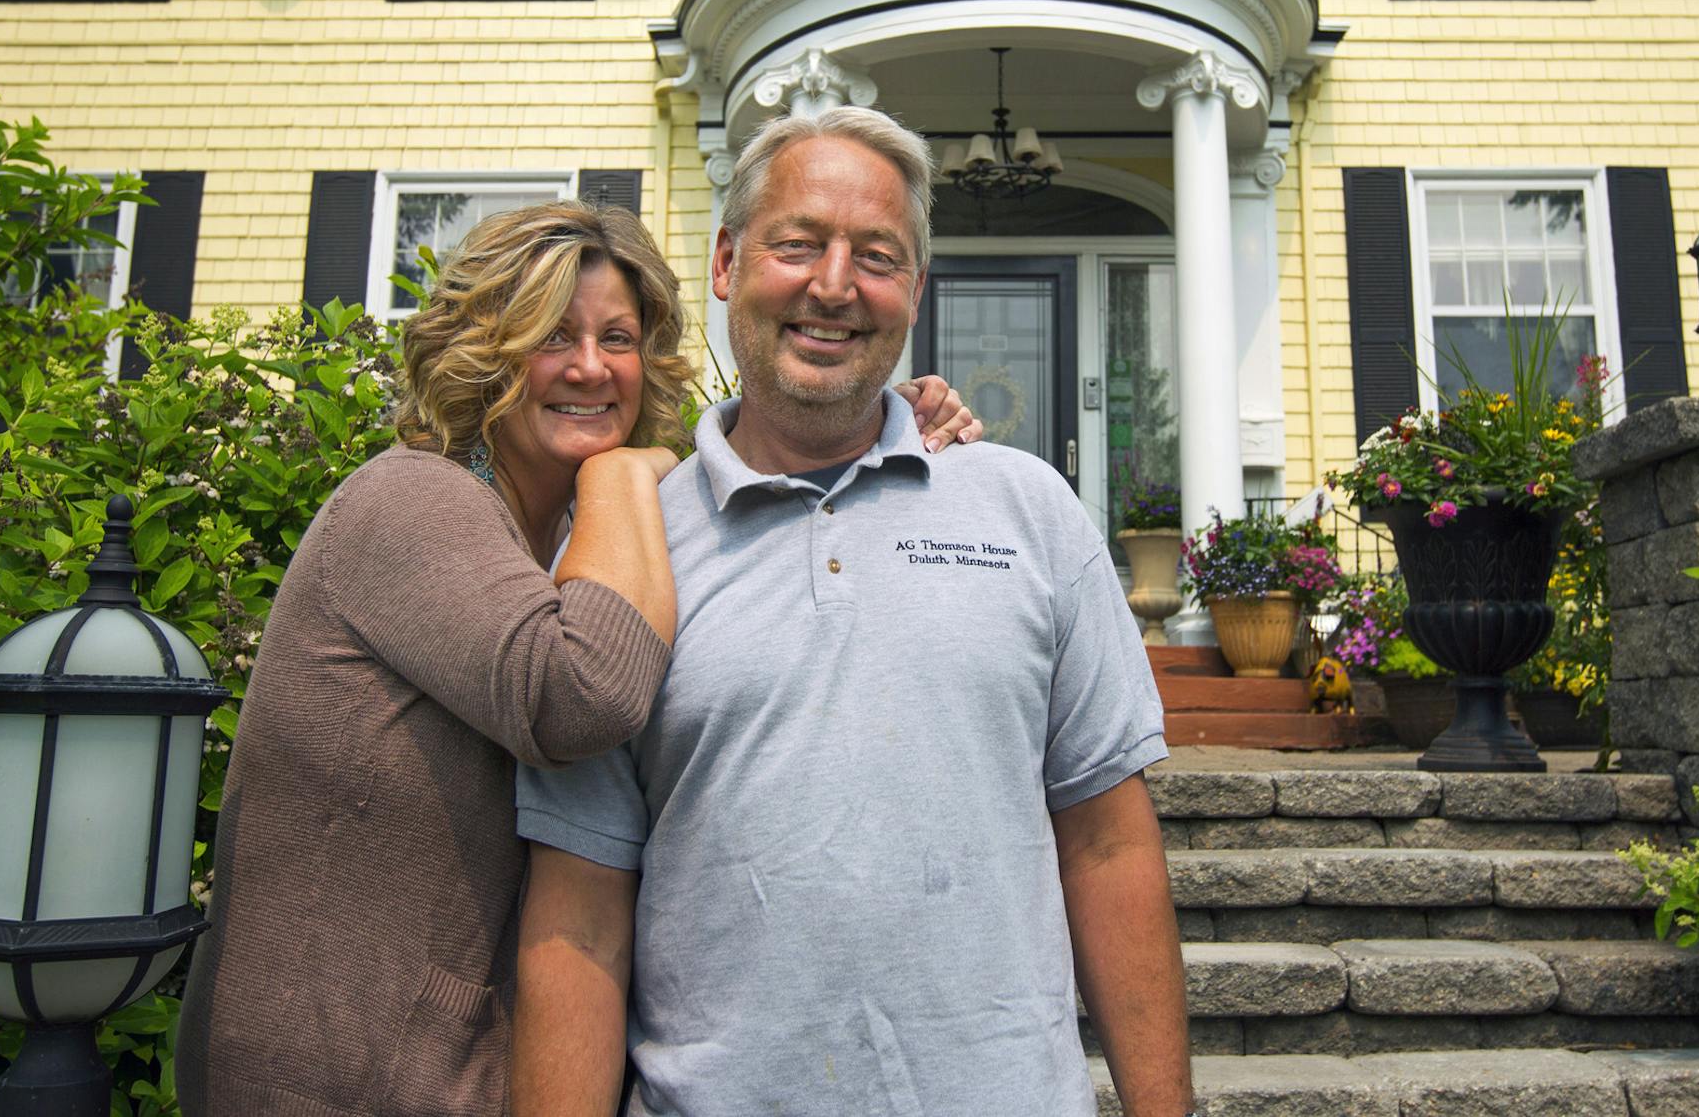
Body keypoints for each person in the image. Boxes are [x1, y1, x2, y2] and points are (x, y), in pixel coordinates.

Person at [177, 201, 977, 1117]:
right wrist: (624, 471)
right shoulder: (407, 501)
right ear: (485, 349)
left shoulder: (564, 537)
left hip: (446, 1070)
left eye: (619, 337)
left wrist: (881, 423)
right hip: (332, 1074)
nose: (591, 366)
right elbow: (584, 694)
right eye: (553, 334)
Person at [513, 110, 1194, 1117]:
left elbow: (1109, 844)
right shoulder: (629, 546)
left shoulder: (1028, 507)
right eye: (798, 243)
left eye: (877, 256)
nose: (834, 284)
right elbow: (578, 915)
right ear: (727, 261)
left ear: (914, 292)